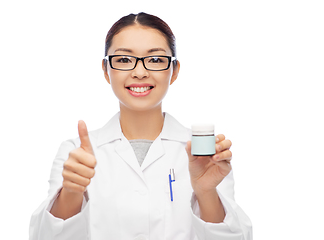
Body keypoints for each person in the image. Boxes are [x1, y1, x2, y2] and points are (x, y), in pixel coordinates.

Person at [29, 12, 252, 240]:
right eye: (124, 60)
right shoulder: (75, 153)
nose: (139, 72)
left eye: (155, 60)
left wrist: (206, 192)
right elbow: (45, 236)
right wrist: (71, 192)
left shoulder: (205, 155)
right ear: (106, 70)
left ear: (174, 71)